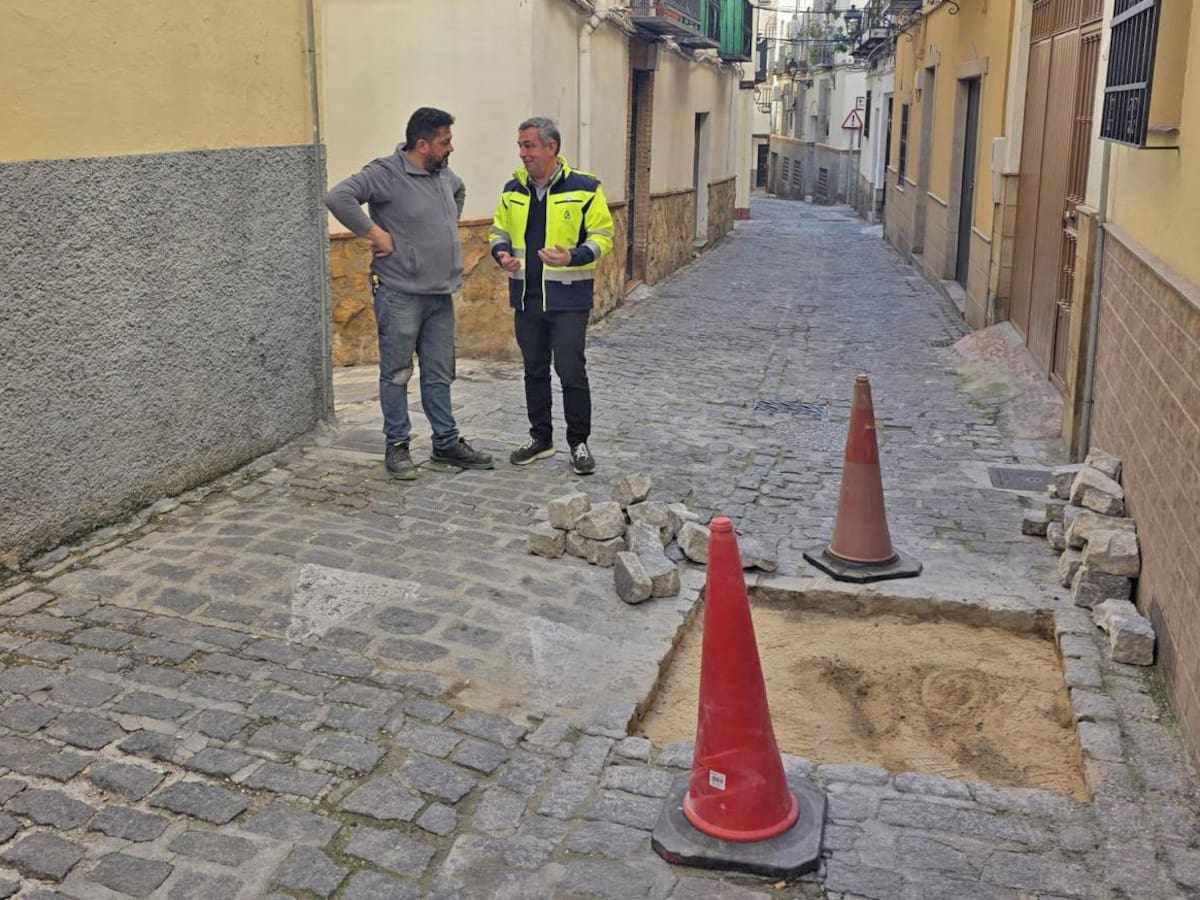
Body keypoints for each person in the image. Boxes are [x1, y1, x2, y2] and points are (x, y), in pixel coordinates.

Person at [325, 107, 493, 480]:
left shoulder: (443, 175)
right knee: (397, 372)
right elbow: (338, 197)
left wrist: (446, 225)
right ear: (422, 144)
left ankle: (446, 442)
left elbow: (459, 190)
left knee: (439, 372)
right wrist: (375, 234)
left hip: (440, 294)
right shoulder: (385, 173)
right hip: (400, 292)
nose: (451, 148)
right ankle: (397, 445)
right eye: (444, 141)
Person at [489, 117, 614, 475]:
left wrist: (572, 256)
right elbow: (497, 230)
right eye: (520, 145)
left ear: (551, 147)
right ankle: (541, 439)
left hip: (569, 299)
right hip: (526, 297)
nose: (522, 153)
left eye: (528, 145)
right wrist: (501, 254)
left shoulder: (585, 188)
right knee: (534, 371)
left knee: (571, 370)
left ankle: (579, 442)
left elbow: (603, 235)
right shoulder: (513, 188)